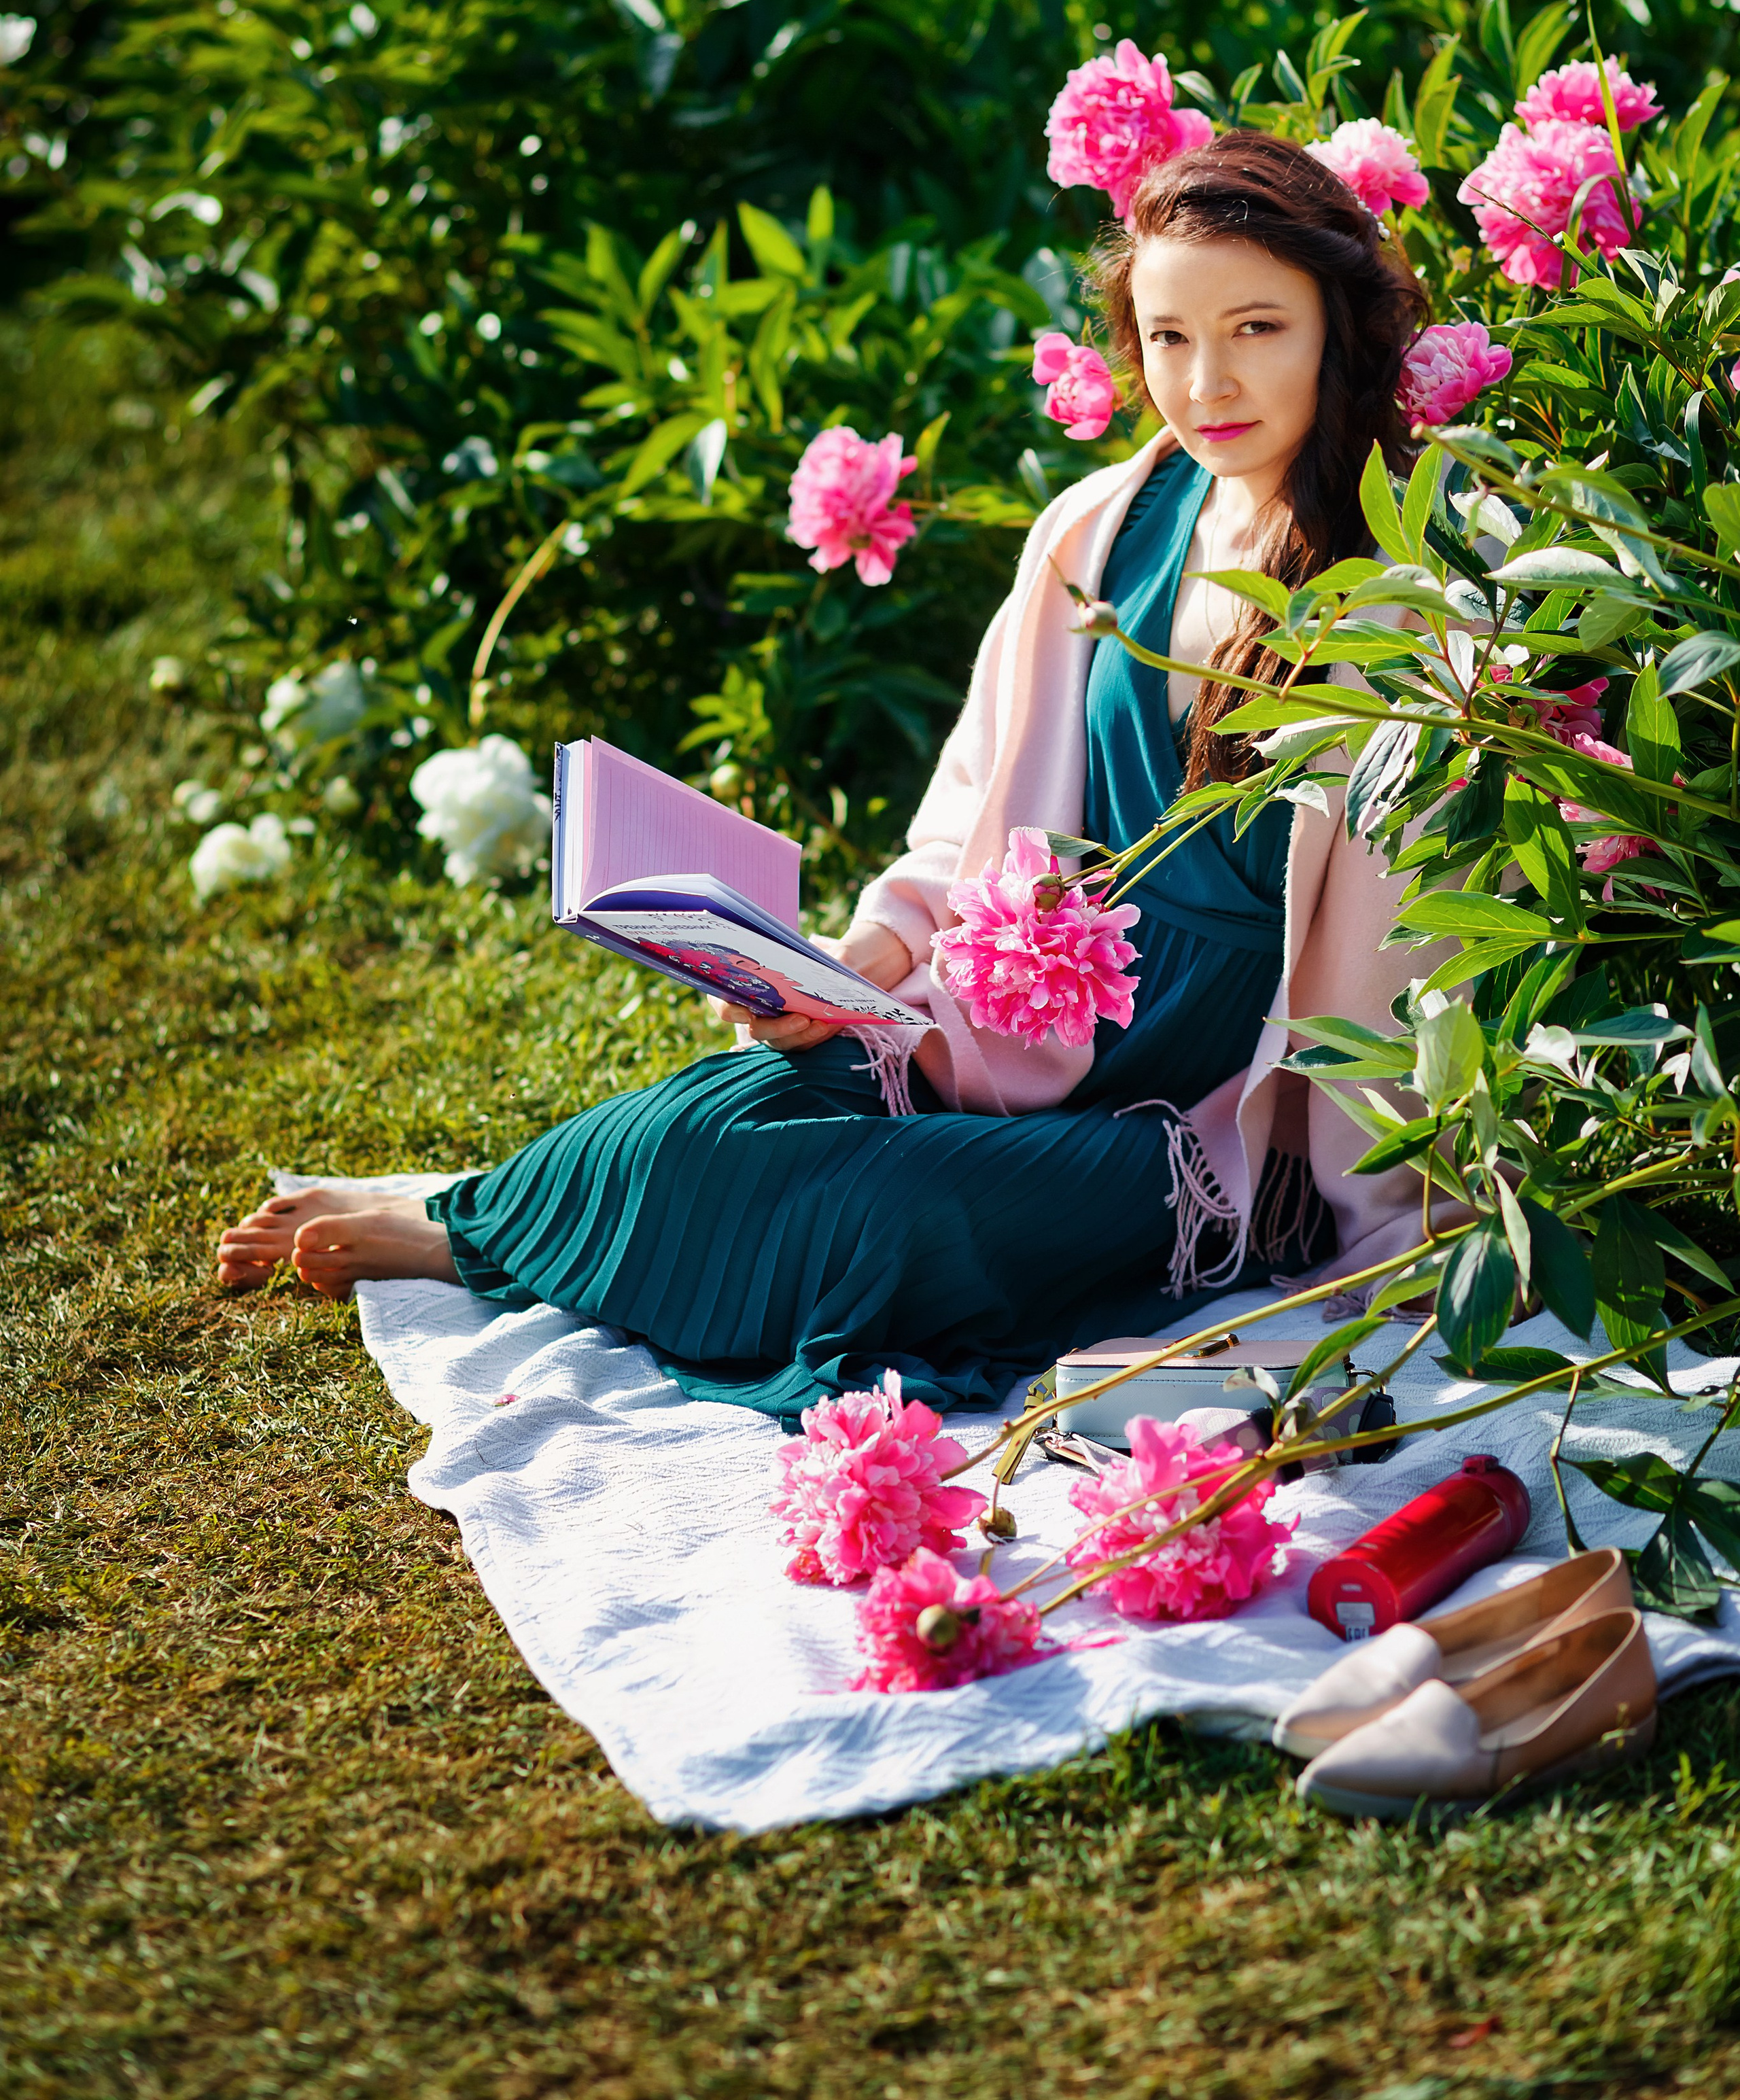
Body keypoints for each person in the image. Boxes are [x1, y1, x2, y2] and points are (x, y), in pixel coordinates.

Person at [218, 133, 1453, 1420]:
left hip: (1189, 1115)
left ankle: (463, 1230)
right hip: (1025, 1016)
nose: (1208, 382)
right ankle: (486, 1206)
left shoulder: (1401, 589)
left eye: (1257, 326)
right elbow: (976, 804)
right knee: (704, 1122)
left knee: (873, 1215)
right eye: (1168, 337)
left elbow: (1394, 977)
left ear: (1337, 326)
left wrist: (1397, 1229)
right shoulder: (1107, 525)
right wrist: (861, 961)